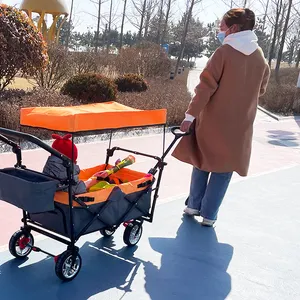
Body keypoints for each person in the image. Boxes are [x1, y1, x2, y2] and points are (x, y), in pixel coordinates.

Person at [172, 8, 270, 226]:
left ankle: (193, 205)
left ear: (234, 28)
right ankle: (209, 215)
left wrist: (190, 115)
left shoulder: (224, 53)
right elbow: (261, 90)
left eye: (222, 26)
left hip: (213, 121)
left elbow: (205, 88)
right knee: (225, 168)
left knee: (202, 159)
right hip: (241, 124)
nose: (219, 30)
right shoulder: (259, 56)